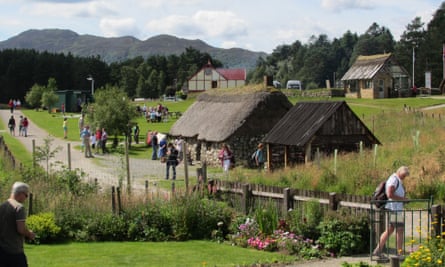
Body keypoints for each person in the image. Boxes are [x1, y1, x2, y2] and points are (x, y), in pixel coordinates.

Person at [373, 166, 410, 257]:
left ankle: (378, 249)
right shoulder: (394, 180)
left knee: (390, 229)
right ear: (400, 173)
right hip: (394, 209)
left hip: (394, 208)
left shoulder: (395, 179)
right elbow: (390, 194)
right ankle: (399, 253)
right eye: (404, 176)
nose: (404, 178)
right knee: (400, 230)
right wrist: (403, 199)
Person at [0, 181, 36, 267]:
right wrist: (29, 234)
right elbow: (21, 229)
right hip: (14, 250)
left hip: (2, 249)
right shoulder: (19, 207)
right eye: (26, 195)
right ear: (20, 193)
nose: (26, 198)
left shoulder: (2, 206)